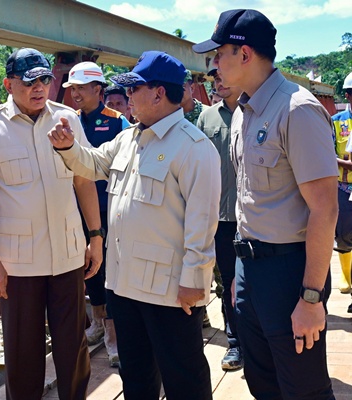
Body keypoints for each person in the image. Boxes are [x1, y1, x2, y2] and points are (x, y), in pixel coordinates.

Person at [47, 50, 219, 400]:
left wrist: (194, 283)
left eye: (133, 89)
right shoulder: (130, 138)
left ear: (158, 92)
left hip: (169, 291)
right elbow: (94, 164)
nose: (127, 97)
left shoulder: (194, 148)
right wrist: (68, 147)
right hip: (123, 285)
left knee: (183, 375)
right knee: (136, 375)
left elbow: (203, 224)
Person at [194, 9, 337, 400]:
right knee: (263, 383)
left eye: (218, 54)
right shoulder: (244, 112)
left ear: (244, 54)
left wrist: (311, 298)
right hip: (249, 269)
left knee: (303, 387)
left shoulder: (297, 109)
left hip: (290, 271)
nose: (214, 66)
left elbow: (324, 209)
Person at [0, 48, 101, 400]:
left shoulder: (67, 119)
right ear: (9, 84)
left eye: (44, 79)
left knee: (74, 346)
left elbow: (83, 180)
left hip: (68, 255)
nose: (39, 88)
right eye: (29, 82)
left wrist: (96, 236)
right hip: (18, 263)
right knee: (23, 353)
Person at [63, 61, 129, 367]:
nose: (75, 94)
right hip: (78, 209)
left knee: (111, 269)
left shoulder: (118, 123)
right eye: (71, 89)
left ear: (97, 90)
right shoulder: (68, 121)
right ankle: (100, 324)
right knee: (89, 268)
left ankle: (115, 334)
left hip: (109, 209)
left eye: (80, 88)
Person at [196, 67, 244, 371]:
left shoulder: (255, 111)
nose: (219, 82)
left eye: (224, 76)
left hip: (252, 217)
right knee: (227, 283)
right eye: (215, 79)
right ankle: (236, 344)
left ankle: (260, 341)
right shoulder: (207, 118)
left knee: (254, 284)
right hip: (220, 218)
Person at [333, 71, 352, 314]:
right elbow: (326, 150)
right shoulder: (336, 120)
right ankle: (347, 277)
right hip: (344, 188)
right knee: (344, 235)